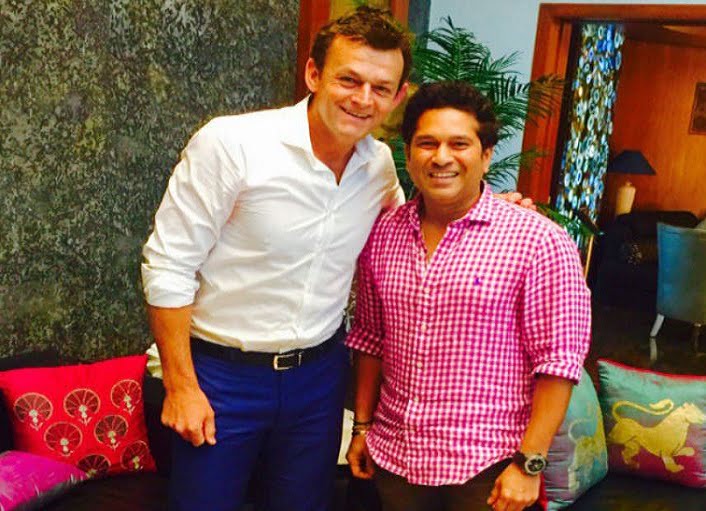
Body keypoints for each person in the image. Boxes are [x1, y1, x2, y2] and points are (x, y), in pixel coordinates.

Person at [142, 7, 532, 510]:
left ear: (398, 97)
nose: (363, 99)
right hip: (221, 374)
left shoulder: (378, 167)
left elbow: (412, 226)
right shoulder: (232, 144)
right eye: (349, 79)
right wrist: (181, 387)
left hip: (317, 377)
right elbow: (168, 266)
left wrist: (492, 207)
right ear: (313, 74)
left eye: (380, 87)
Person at [345, 81, 591, 511]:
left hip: (488, 469)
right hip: (396, 460)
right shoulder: (383, 234)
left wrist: (529, 464)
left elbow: (558, 362)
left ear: (486, 154)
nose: (441, 157)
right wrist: (362, 428)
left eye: (459, 144)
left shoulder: (538, 241)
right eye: (427, 143)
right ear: (408, 154)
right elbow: (370, 340)